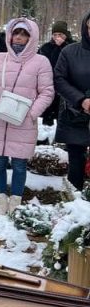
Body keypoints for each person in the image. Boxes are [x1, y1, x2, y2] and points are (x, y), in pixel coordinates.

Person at [0, 20, 54, 214]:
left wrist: (32, 113)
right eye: (16, 33)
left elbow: (46, 92)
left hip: (23, 121)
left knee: (19, 164)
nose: (19, 37)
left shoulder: (41, 62)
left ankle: (15, 201)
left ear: (31, 37)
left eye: (24, 34)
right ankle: (1, 199)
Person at [54, 10, 90, 190]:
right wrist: (81, 100)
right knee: (76, 162)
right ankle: (76, 198)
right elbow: (59, 79)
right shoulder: (70, 52)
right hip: (75, 114)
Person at [38, 21, 73, 126]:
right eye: (55, 35)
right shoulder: (46, 48)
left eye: (60, 34)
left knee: (64, 116)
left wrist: (63, 46)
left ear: (65, 35)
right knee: (49, 113)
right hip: (50, 85)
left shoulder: (73, 47)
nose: (57, 37)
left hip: (67, 86)